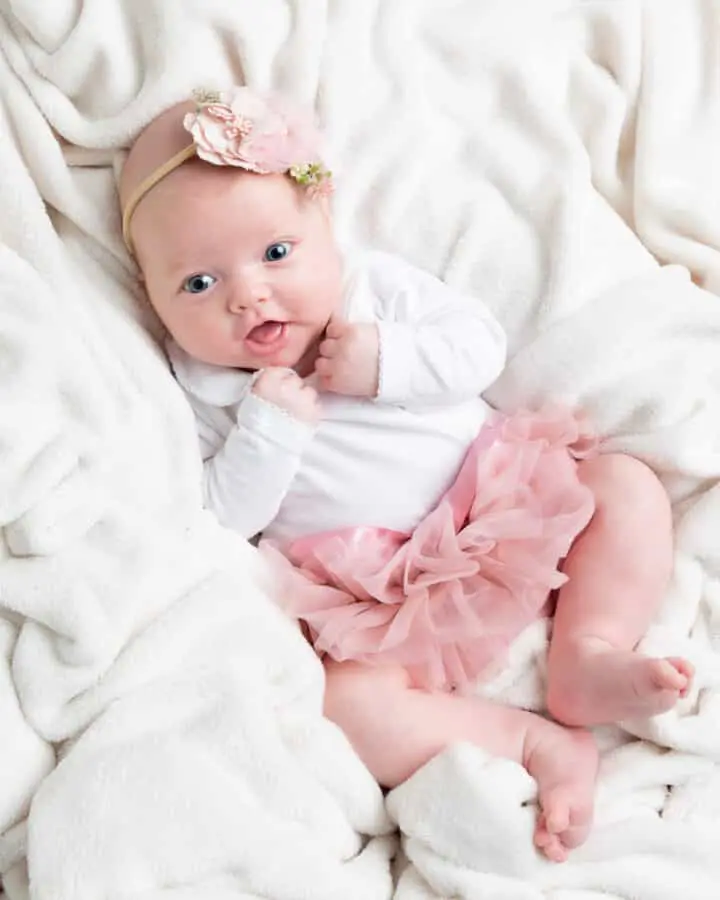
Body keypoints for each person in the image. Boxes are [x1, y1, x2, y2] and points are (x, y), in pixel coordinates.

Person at [118, 86, 693, 862]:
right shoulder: (205, 387)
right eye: (197, 284)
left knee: (624, 486)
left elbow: (477, 347)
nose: (248, 294)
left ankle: (588, 652)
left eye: (277, 254)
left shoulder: (373, 292)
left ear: (324, 225)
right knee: (349, 706)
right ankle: (530, 743)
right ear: (151, 297)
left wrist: (386, 361)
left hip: (497, 501)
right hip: (384, 593)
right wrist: (268, 430)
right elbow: (225, 514)